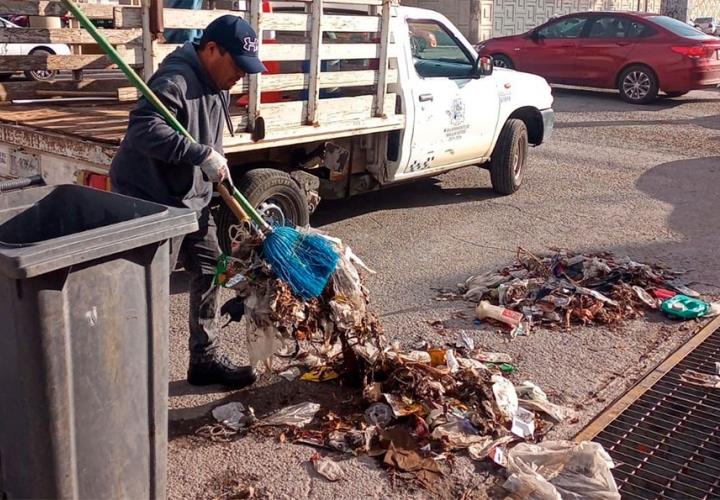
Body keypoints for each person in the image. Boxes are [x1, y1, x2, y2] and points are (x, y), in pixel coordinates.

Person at [110, 15, 267, 388]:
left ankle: (204, 359)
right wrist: (199, 154)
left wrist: (216, 163)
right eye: (237, 67)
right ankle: (130, 377)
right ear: (212, 49)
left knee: (213, 268)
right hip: (151, 200)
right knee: (147, 289)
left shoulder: (218, 80)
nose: (240, 77)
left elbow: (210, 134)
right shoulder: (176, 79)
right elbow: (143, 129)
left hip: (190, 198)